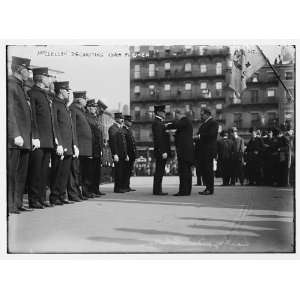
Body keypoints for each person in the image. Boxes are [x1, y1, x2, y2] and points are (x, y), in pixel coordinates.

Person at [7, 56, 37, 214]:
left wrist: (30, 136)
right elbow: (9, 113)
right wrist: (15, 134)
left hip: (24, 139)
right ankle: (10, 204)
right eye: (27, 70)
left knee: (20, 174)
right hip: (15, 140)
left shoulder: (20, 86)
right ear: (19, 69)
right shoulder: (10, 85)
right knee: (12, 174)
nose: (29, 73)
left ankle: (17, 203)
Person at [27, 67, 57, 208]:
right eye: (47, 77)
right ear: (40, 77)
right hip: (38, 140)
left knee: (44, 172)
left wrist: (54, 137)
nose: (49, 79)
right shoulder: (32, 93)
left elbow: (49, 120)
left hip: (47, 140)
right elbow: (32, 117)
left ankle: (41, 198)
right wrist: (35, 136)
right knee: (35, 171)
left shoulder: (44, 95)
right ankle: (34, 200)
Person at [49, 81, 79, 205]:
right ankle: (54, 196)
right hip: (61, 145)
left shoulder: (64, 106)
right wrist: (58, 143)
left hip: (68, 145)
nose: (68, 92)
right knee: (57, 172)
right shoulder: (55, 104)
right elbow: (55, 125)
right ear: (60, 90)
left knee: (64, 173)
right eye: (66, 90)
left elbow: (70, 128)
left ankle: (61, 195)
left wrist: (74, 145)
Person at [69, 91, 93, 199]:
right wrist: (75, 145)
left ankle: (81, 192)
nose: (86, 100)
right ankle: (74, 193)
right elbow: (73, 128)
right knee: (76, 171)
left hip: (85, 147)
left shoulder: (80, 110)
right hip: (79, 146)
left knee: (82, 172)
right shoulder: (73, 109)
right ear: (78, 99)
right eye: (84, 98)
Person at [166, 108, 194, 196]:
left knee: (183, 171)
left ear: (178, 114)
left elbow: (176, 125)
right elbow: (181, 133)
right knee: (187, 171)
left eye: (175, 115)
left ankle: (183, 191)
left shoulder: (185, 121)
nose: (175, 117)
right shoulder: (185, 123)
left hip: (184, 151)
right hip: (186, 151)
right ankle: (187, 190)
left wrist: (166, 125)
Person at [195, 108, 218, 195]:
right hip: (203, 151)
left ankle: (210, 189)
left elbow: (212, 135)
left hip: (208, 150)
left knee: (208, 170)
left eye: (202, 114)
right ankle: (207, 187)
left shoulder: (213, 123)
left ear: (207, 114)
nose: (201, 116)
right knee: (205, 170)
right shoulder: (203, 124)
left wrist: (199, 136)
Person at [85, 99, 106, 196]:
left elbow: (99, 135)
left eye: (95, 107)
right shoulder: (87, 117)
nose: (95, 108)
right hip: (92, 148)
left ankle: (96, 189)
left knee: (97, 171)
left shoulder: (95, 118)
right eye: (93, 107)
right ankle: (90, 190)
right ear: (88, 108)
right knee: (91, 171)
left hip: (97, 148)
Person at [152, 105, 171, 195]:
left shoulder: (159, 122)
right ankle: (157, 190)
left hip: (160, 151)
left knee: (160, 171)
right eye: (163, 112)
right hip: (161, 151)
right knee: (159, 171)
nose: (165, 114)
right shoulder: (158, 123)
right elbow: (159, 139)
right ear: (159, 112)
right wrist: (163, 151)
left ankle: (158, 189)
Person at [108, 112, 129, 193]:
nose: (122, 120)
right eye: (120, 118)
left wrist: (126, 154)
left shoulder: (119, 128)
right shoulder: (112, 128)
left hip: (122, 154)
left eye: (122, 118)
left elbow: (124, 143)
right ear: (116, 119)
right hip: (117, 154)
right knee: (118, 172)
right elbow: (113, 142)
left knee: (121, 171)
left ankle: (121, 187)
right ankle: (117, 188)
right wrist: (115, 154)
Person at [122, 115, 137, 192]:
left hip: (131, 154)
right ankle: (124, 186)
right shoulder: (123, 130)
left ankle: (127, 186)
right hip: (127, 154)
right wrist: (126, 154)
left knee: (129, 171)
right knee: (126, 171)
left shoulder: (128, 130)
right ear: (125, 121)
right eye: (129, 121)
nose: (131, 123)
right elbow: (124, 144)